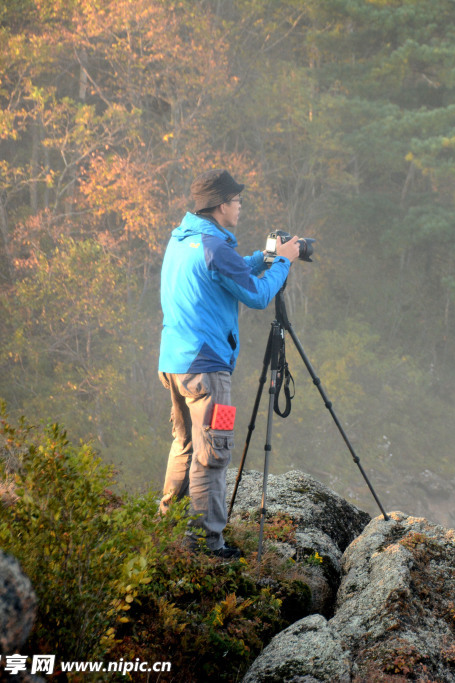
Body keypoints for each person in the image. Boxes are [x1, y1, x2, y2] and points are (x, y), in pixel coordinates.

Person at [157, 169, 302, 558]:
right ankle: (208, 544)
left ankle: (166, 528)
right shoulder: (215, 249)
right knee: (215, 450)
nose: (240, 206)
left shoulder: (184, 239)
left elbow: (229, 272)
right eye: (237, 201)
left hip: (175, 366)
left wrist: (264, 257)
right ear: (222, 205)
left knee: (186, 444)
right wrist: (284, 263)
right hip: (209, 373)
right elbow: (256, 296)